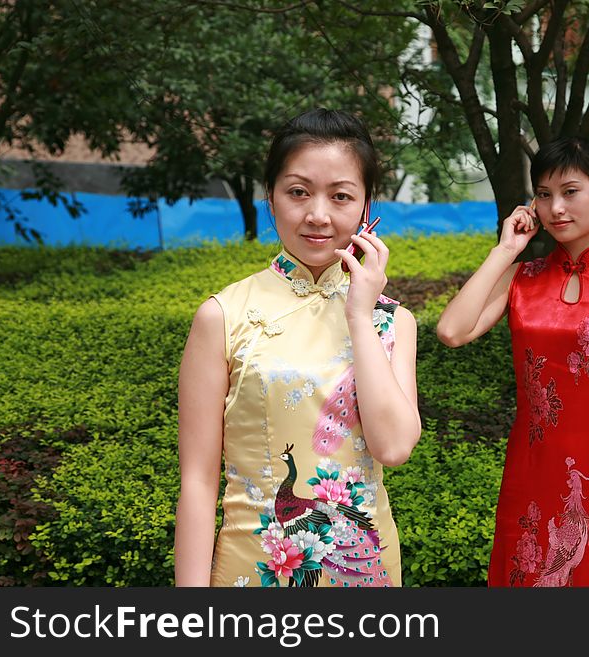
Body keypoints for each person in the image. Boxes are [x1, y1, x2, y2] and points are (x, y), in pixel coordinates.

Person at [175, 108, 421, 587]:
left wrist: (358, 313)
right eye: (298, 192)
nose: (318, 215)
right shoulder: (223, 316)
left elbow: (393, 446)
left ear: (367, 206)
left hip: (364, 573)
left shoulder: (392, 321)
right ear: (271, 199)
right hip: (252, 571)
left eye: (341, 196)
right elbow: (197, 482)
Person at [436, 136, 589, 587]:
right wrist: (507, 250)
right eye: (544, 195)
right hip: (531, 474)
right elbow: (452, 331)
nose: (556, 208)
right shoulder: (522, 277)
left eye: (570, 191)